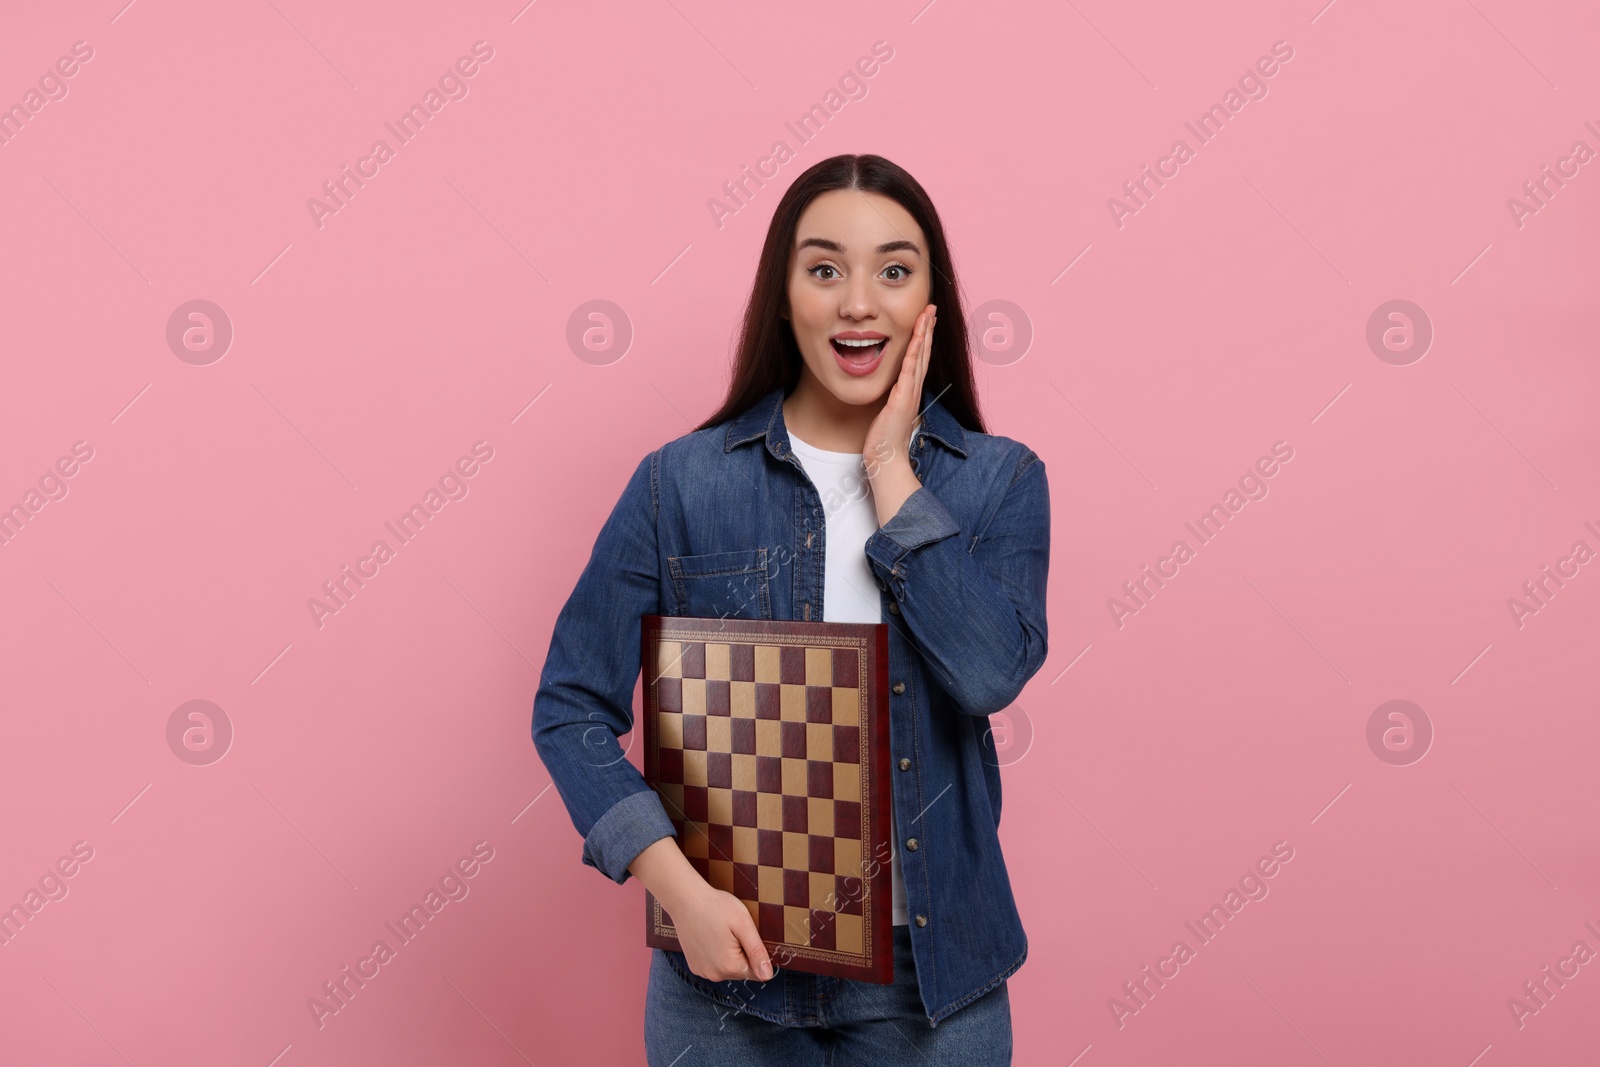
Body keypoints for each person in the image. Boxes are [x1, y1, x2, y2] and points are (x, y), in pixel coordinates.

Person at [532, 153, 1051, 1066]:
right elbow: (571, 707)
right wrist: (677, 890)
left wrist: (891, 470)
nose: (859, 302)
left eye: (894, 270)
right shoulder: (679, 482)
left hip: (935, 980)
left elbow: (987, 672)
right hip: (726, 986)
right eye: (824, 269)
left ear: (933, 302)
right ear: (784, 296)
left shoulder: (999, 482)